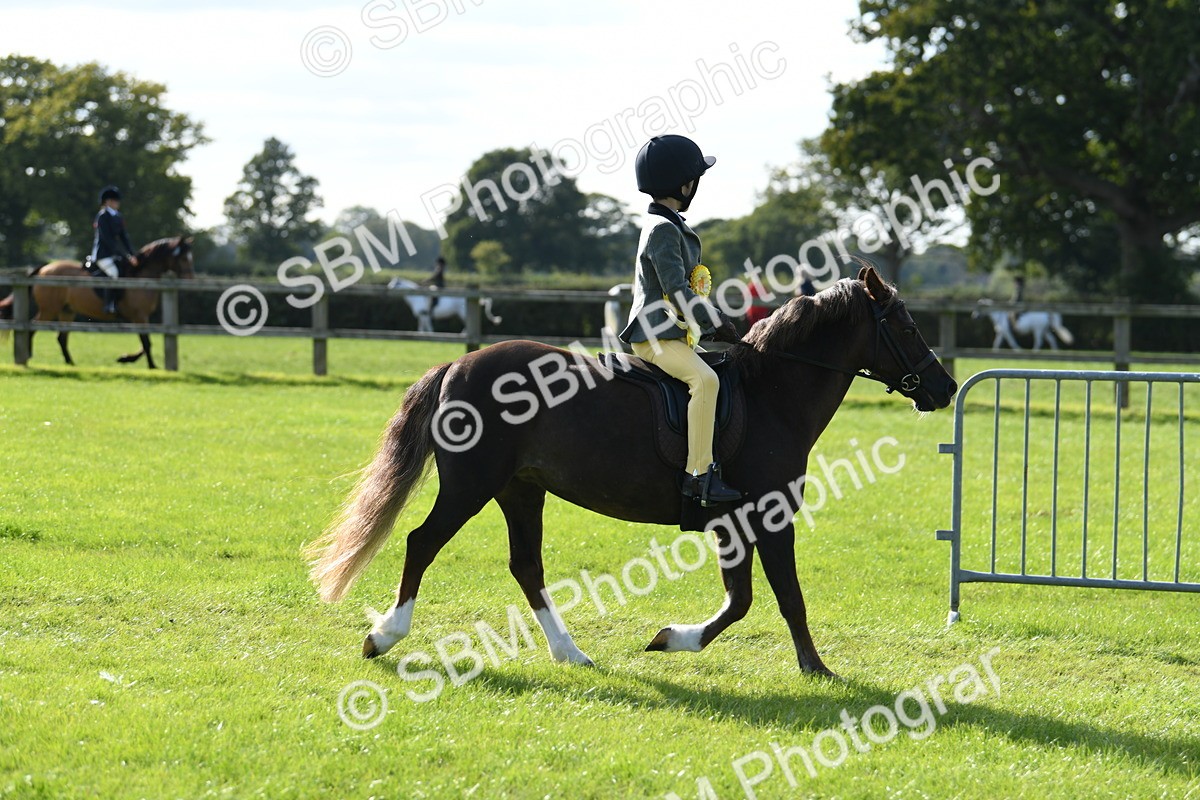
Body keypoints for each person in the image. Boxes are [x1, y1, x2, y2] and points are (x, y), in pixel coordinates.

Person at [619, 134, 742, 507]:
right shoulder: (662, 230)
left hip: (674, 333)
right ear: (685, 184)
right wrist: (716, 320)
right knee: (704, 380)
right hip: (655, 335)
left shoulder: (670, 225)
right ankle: (698, 477)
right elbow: (676, 289)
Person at [91, 185, 137, 314]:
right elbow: (107, 239)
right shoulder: (102, 216)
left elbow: (124, 237)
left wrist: (132, 254)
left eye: (117, 200)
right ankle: (109, 305)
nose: (117, 203)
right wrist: (125, 255)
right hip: (103, 254)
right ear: (107, 202)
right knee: (114, 273)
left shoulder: (118, 216)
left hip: (114, 254)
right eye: (114, 200)